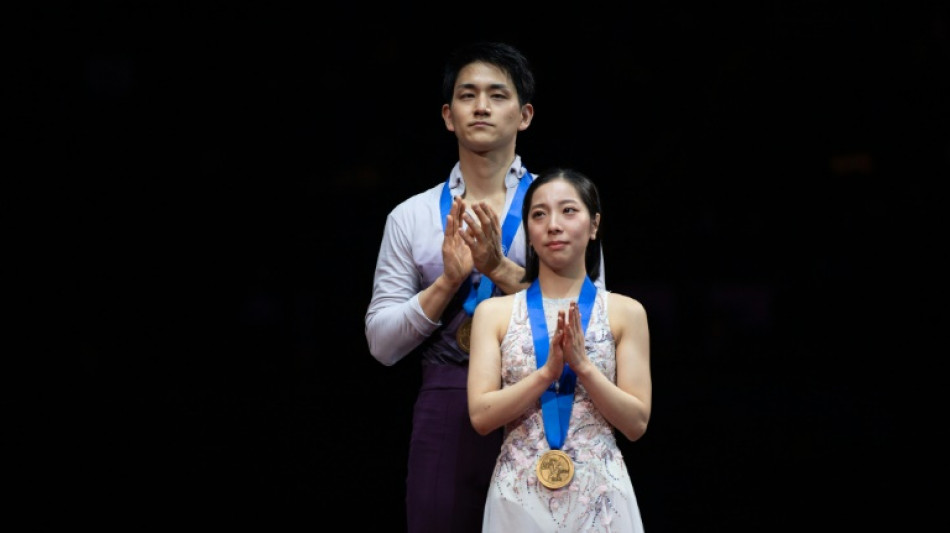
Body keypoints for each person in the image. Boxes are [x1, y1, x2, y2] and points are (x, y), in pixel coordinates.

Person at [365, 43, 607, 533]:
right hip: (447, 401)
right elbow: (382, 345)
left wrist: (499, 268)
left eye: (497, 95)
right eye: (467, 95)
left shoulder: (562, 209)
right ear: (448, 116)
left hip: (549, 401)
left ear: (525, 115)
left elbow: (599, 322)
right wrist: (447, 282)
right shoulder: (410, 217)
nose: (480, 106)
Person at [468, 167, 650, 532]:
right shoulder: (494, 313)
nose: (553, 224)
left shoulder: (626, 312)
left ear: (594, 224)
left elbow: (636, 423)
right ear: (529, 234)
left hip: (600, 496)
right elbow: (482, 416)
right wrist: (546, 375)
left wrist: (583, 367)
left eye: (568, 210)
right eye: (539, 214)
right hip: (517, 495)